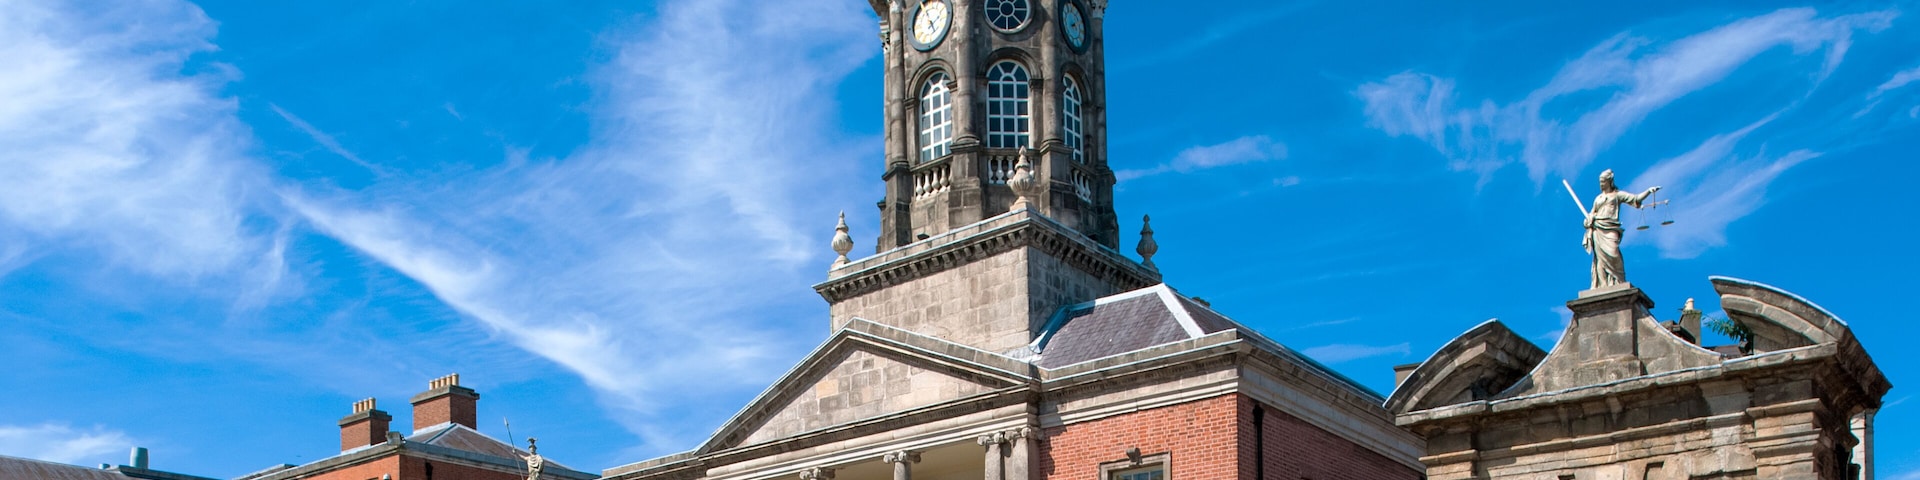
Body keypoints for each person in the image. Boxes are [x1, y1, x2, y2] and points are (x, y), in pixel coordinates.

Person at [1584, 169, 1660, 289]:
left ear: (1609, 181)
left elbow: (1635, 198)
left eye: (1603, 181)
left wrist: (1648, 191)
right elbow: (1591, 214)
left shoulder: (1617, 195)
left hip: (1610, 227)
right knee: (1600, 259)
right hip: (1598, 229)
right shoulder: (1598, 198)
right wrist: (1588, 220)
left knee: (1614, 252)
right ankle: (1603, 285)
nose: (1601, 184)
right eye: (1600, 182)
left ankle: (1618, 281)